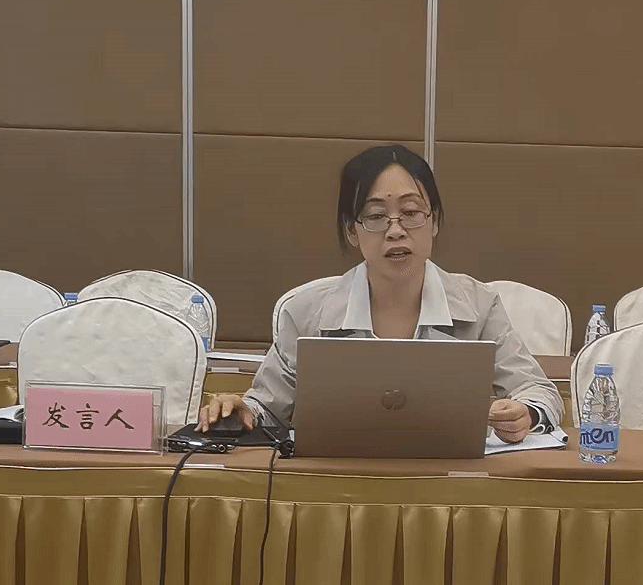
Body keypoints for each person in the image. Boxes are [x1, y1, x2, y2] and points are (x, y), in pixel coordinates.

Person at [199, 145, 563, 442]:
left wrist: (526, 413)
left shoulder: (479, 306)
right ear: (351, 231)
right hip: (336, 488)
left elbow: (538, 390)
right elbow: (266, 407)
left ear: (434, 221)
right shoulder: (306, 312)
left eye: (411, 212)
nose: (395, 231)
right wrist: (241, 411)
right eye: (375, 216)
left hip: (448, 486)